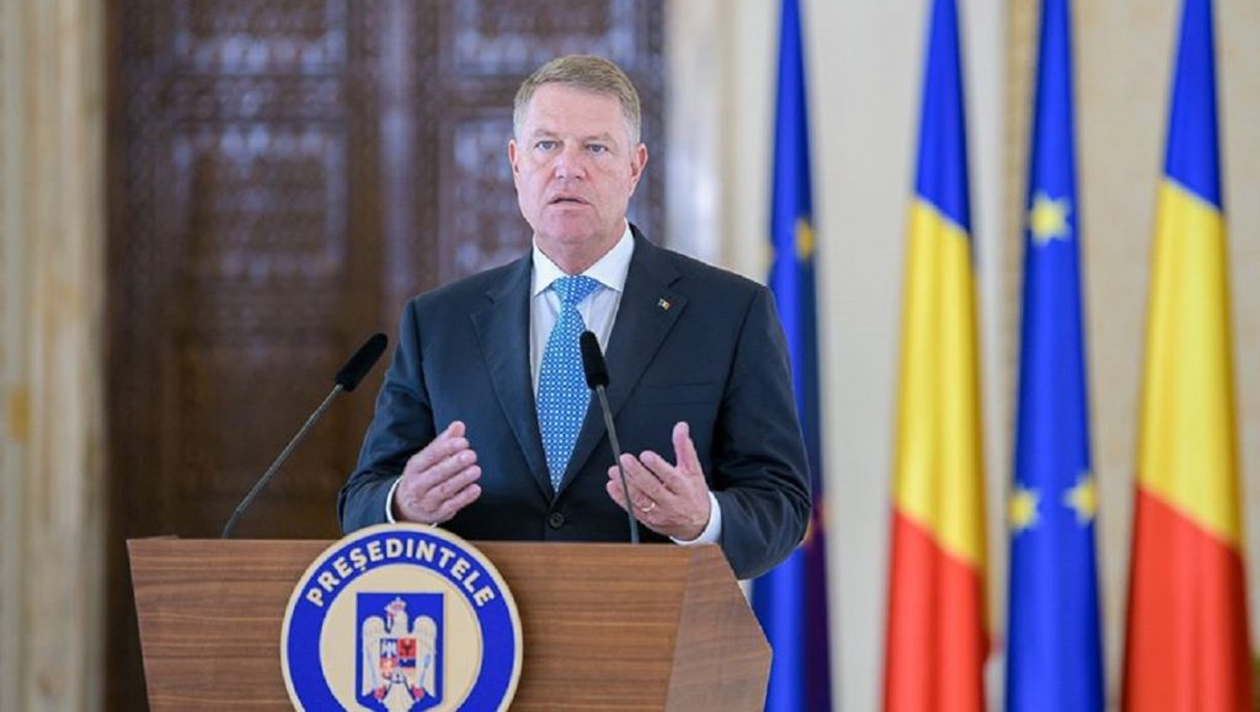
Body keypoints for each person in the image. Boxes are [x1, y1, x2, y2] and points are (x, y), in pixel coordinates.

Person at [337, 55, 809, 580]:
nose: (567, 167)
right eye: (546, 145)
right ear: (516, 163)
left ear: (635, 167)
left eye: (595, 147)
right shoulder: (438, 323)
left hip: (649, 621)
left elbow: (782, 504)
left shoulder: (729, 313)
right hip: (484, 625)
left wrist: (703, 521)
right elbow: (363, 500)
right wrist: (403, 505)